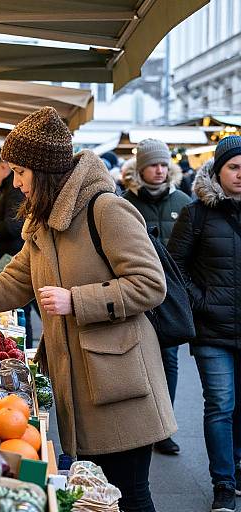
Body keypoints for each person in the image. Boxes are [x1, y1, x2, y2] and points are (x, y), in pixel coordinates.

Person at [0, 107, 176, 512]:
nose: (16, 183)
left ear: (43, 171)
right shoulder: (42, 221)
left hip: (119, 380)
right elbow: (14, 282)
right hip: (78, 377)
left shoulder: (106, 209)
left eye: (20, 172)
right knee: (96, 495)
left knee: (129, 493)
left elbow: (150, 284)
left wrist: (77, 300)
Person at [168, 135, 241, 512]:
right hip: (212, 329)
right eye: (234, 167)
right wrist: (202, 302)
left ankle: (237, 467)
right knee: (220, 404)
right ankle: (223, 484)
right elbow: (174, 267)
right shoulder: (196, 215)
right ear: (218, 171)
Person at [122, 139, 191, 456]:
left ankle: (165, 428)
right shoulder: (125, 202)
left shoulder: (182, 200)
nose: (160, 170)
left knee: (169, 360)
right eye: (153, 164)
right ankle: (138, 424)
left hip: (171, 295)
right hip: (136, 293)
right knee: (135, 361)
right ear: (141, 169)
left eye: (164, 164)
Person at [0, 147, 39, 348]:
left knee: (26, 310)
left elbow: (12, 226)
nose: (17, 181)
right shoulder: (10, 189)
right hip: (12, 255)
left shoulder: (14, 191)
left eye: (20, 172)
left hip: (13, 253)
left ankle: (27, 346)